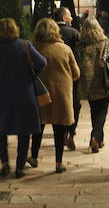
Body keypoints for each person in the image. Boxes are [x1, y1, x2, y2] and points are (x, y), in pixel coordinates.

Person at [0, 18, 46, 179]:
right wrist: (32, 73)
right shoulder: (25, 46)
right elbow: (42, 62)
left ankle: (5, 163)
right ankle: (20, 167)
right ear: (15, 29)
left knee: (1, 131)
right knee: (24, 132)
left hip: (4, 97)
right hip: (25, 96)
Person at [29, 18, 80, 173]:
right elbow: (76, 73)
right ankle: (58, 163)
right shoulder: (65, 49)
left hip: (40, 93)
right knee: (59, 128)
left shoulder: (33, 49)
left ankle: (34, 157)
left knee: (39, 125)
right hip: (61, 94)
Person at [76, 17, 109, 153]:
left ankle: (100, 138)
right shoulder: (106, 44)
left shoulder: (80, 46)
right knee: (102, 111)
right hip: (103, 83)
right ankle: (94, 137)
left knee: (94, 110)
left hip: (88, 84)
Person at [53, 7, 81, 150]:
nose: (71, 18)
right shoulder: (74, 33)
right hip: (70, 76)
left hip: (52, 77)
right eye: (69, 15)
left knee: (57, 105)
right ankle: (71, 133)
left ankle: (61, 134)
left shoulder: (49, 33)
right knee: (74, 104)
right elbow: (79, 56)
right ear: (64, 18)